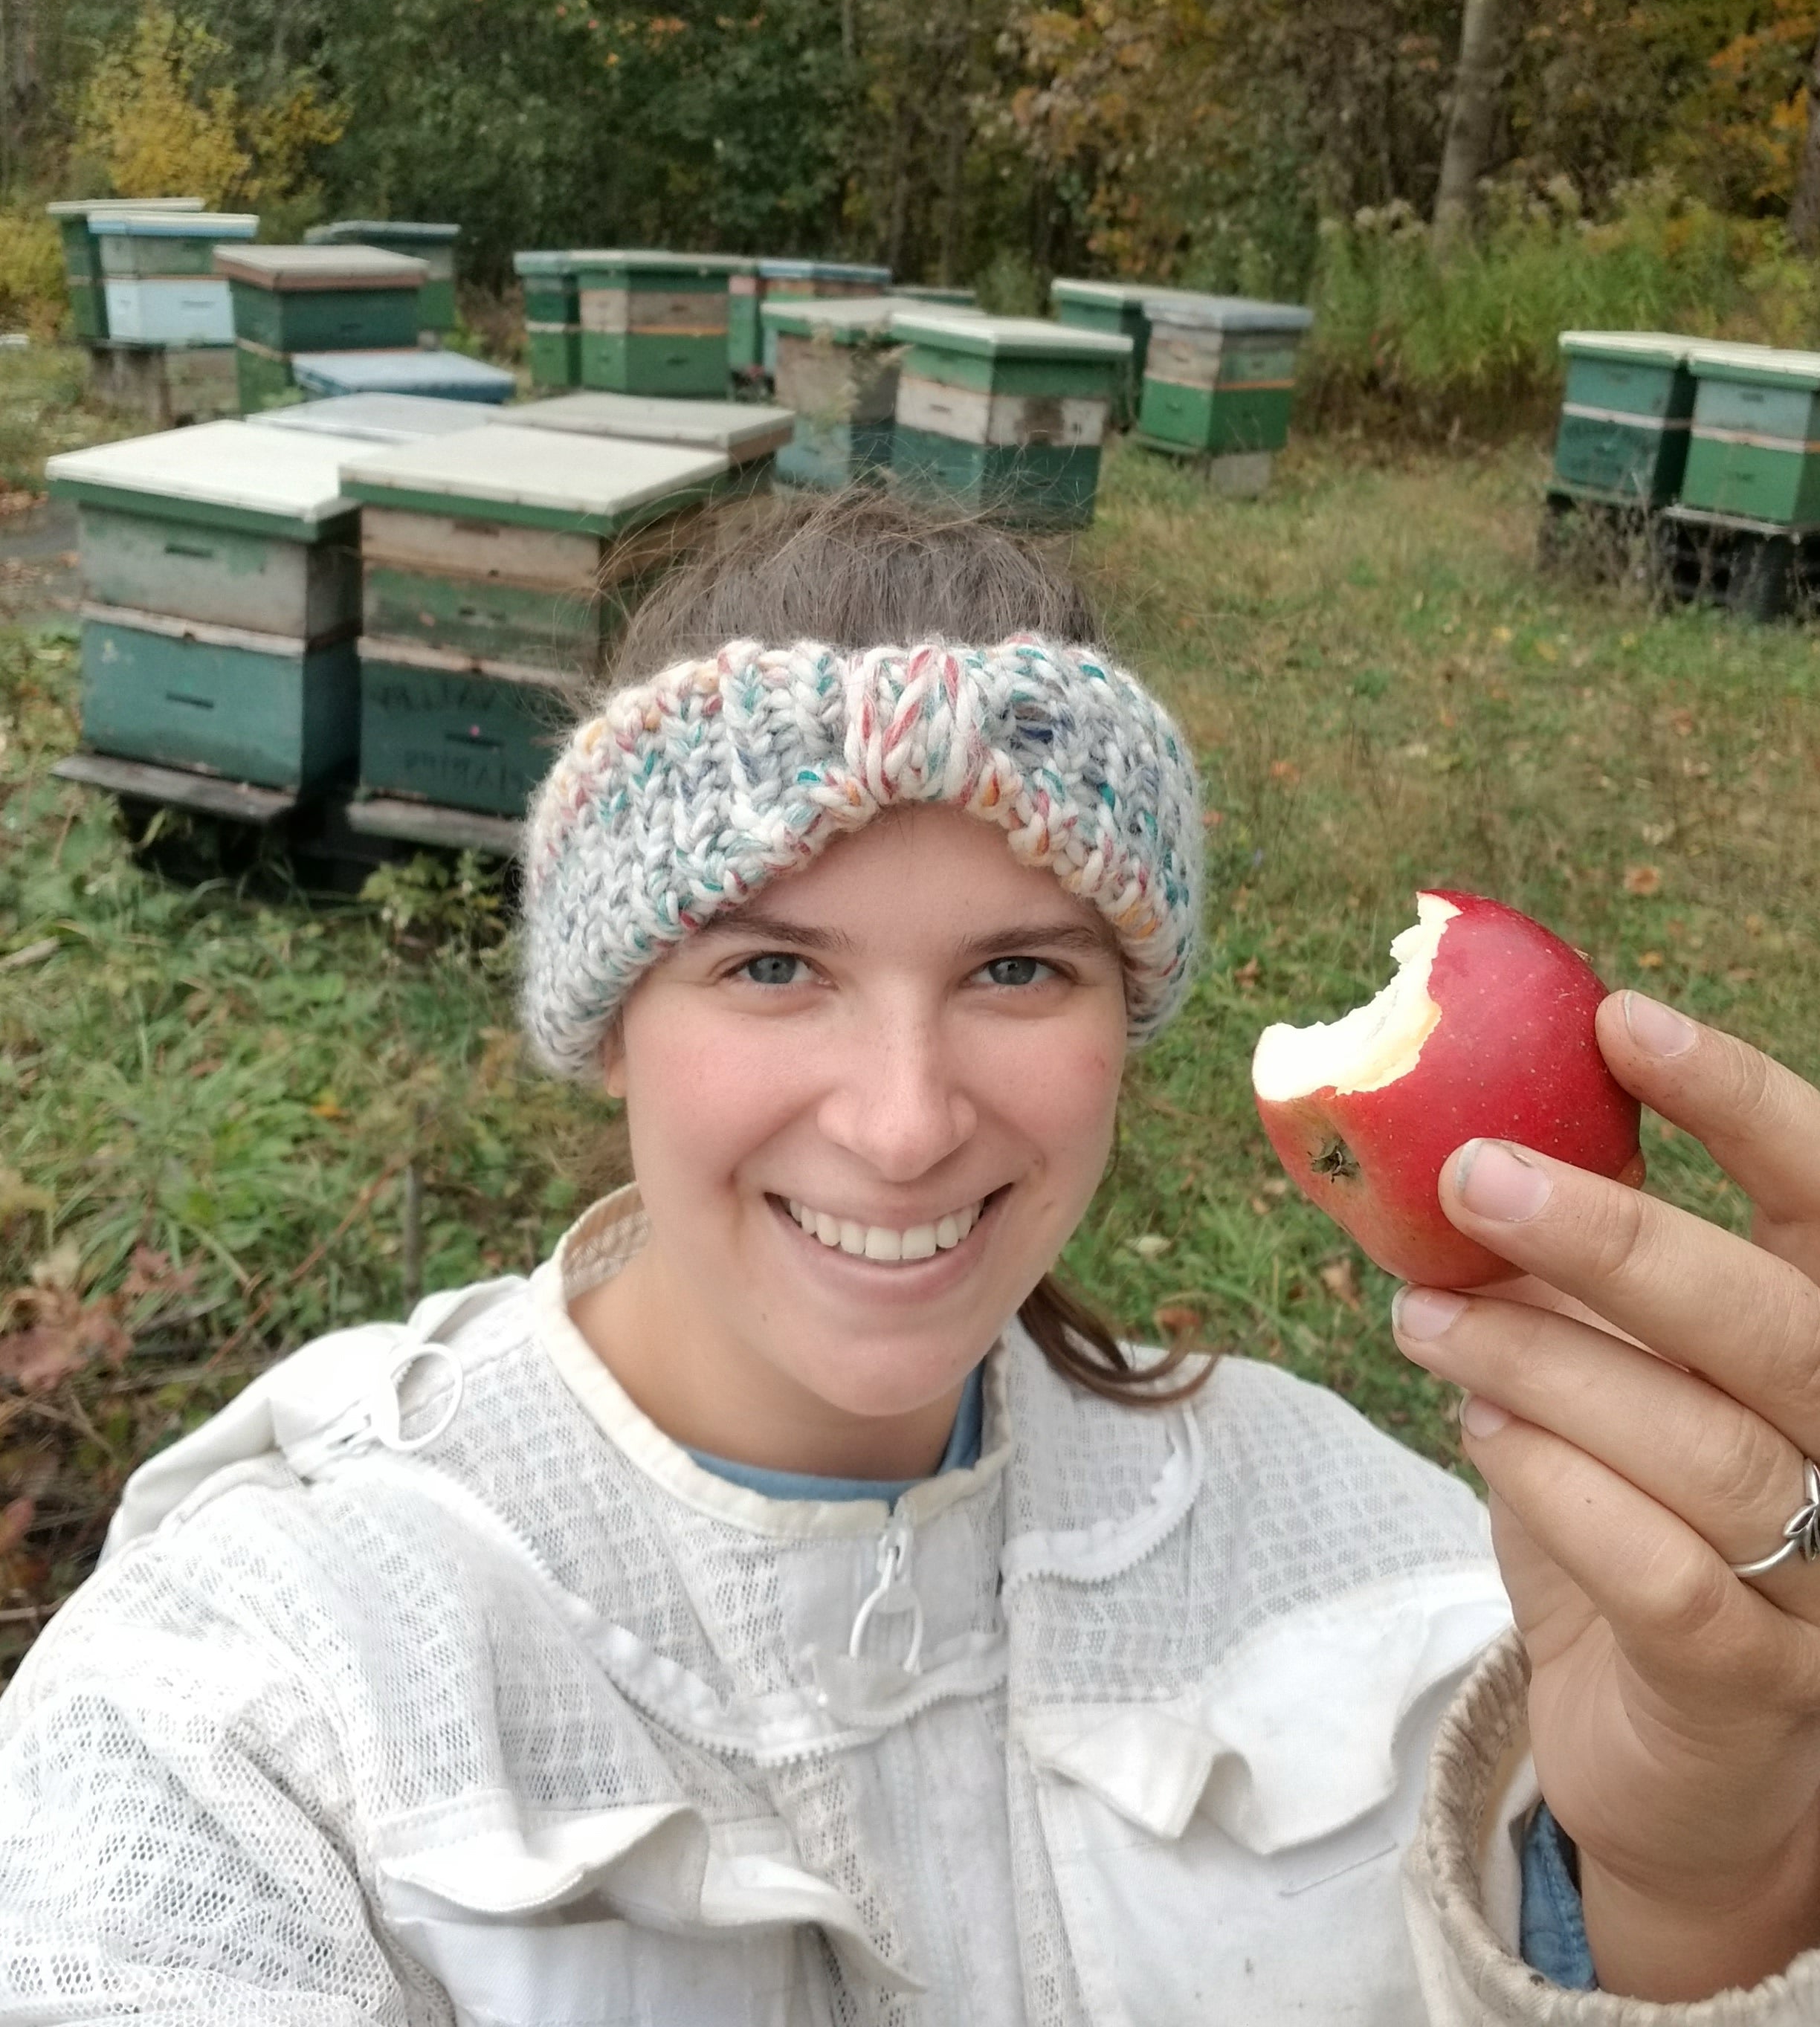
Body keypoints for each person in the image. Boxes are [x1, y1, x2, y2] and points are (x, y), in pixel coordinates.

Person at [2, 487, 1819, 2026]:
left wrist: (1695, 1882)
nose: (901, 1122)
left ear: (1129, 1019)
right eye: (772, 966)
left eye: (1018, 970)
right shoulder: (252, 1703)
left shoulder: (1374, 1545)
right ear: (610, 1021)